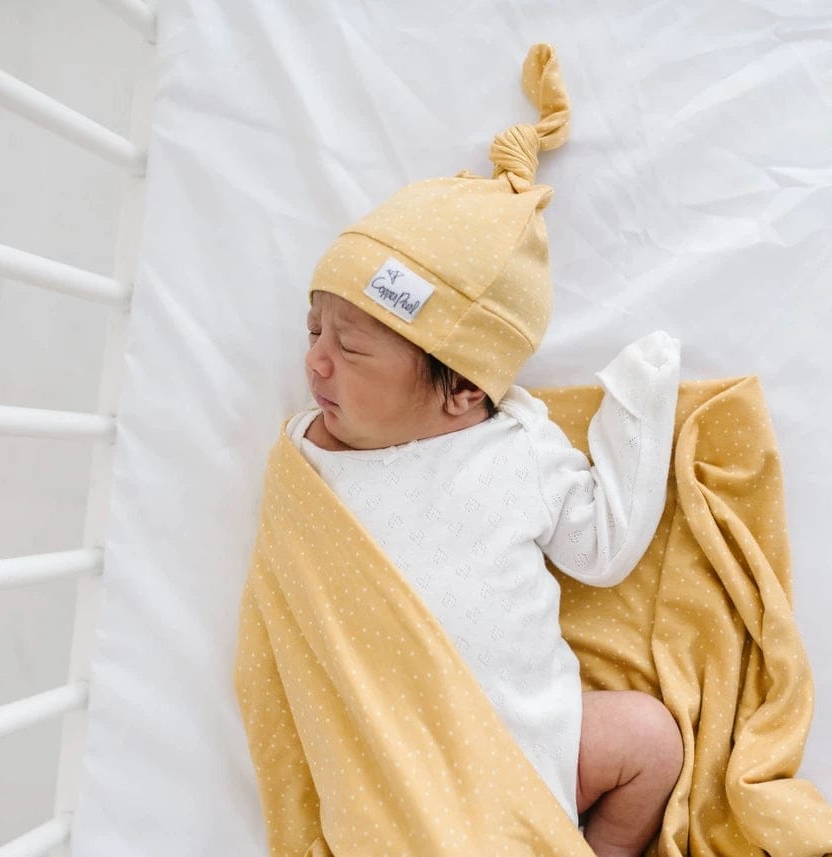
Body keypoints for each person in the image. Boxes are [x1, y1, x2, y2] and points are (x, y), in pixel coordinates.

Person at [285, 43, 684, 857]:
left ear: (464, 388)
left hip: (540, 752)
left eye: (350, 347)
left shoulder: (519, 448)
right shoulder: (311, 467)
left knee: (650, 737)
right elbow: (299, 611)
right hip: (401, 770)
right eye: (314, 328)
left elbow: (604, 547)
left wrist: (637, 409)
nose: (316, 362)